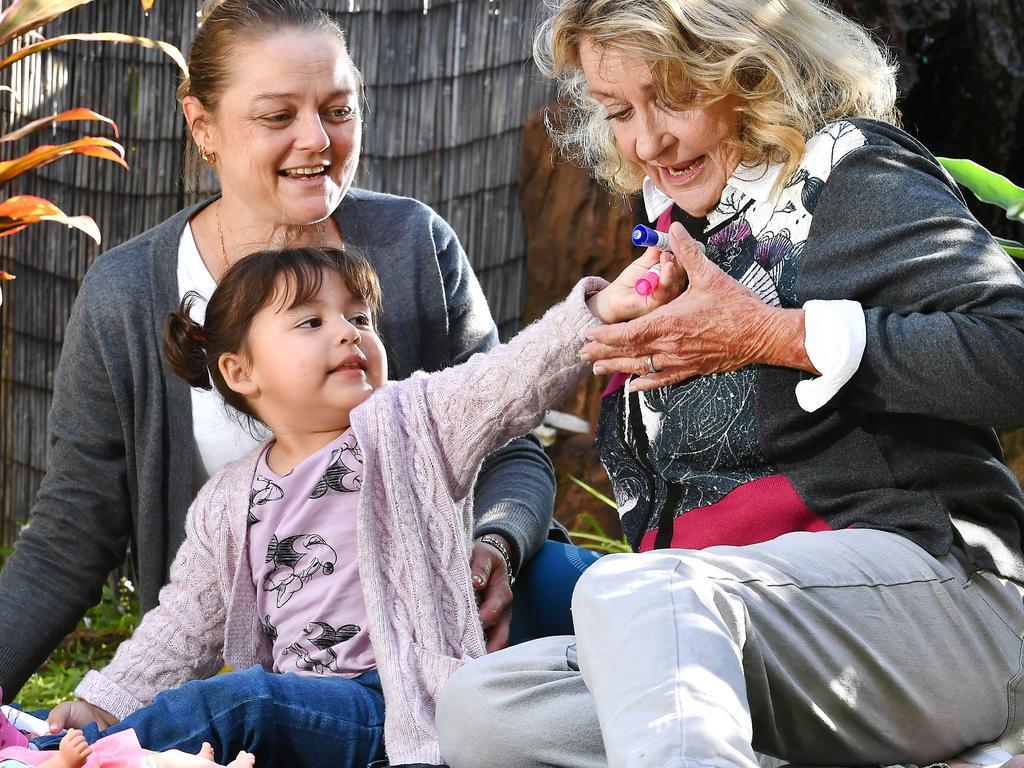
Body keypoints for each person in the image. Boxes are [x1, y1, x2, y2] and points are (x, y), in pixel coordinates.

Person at [435, 1, 1024, 767]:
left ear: (750, 72)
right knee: (485, 711)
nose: (648, 140)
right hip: (762, 648)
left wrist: (778, 336)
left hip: (944, 608)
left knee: (634, 594)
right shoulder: (688, 228)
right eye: (619, 111)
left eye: (674, 97)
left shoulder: (845, 173)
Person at [0, 0, 563, 704]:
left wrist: (496, 547)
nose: (316, 141)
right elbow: (69, 537)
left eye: (337, 109)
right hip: (235, 696)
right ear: (202, 124)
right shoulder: (128, 295)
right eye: (277, 117)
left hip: (437, 661)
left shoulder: (413, 245)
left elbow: (509, 452)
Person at [40, 238, 683, 768]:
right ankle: (89, 743)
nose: (349, 333)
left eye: (361, 318)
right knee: (235, 716)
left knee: (238, 706)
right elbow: (183, 626)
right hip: (304, 712)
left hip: (396, 707)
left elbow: (510, 377)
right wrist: (107, 698)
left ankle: (75, 760)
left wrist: (594, 316)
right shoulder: (227, 501)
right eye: (311, 322)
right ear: (241, 372)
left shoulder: (411, 425)